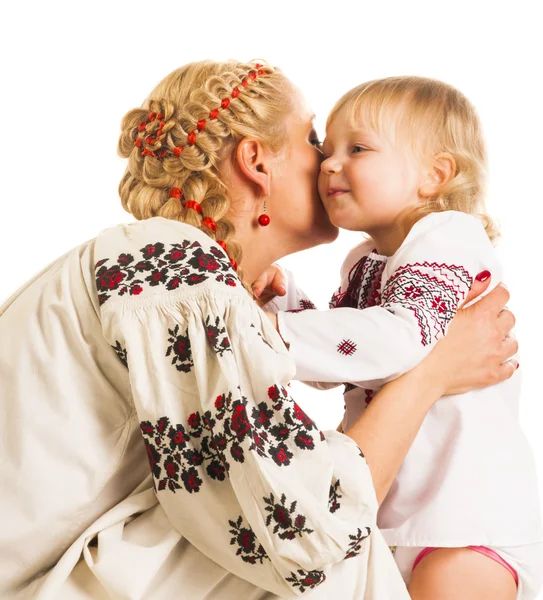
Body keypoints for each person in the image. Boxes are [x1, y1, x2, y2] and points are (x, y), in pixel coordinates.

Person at [0, 61, 519, 600]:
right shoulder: (174, 264)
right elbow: (304, 525)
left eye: (351, 147)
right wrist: (430, 372)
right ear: (255, 162)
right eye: (316, 139)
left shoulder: (168, 271)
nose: (328, 164)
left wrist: (279, 320)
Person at [258, 76, 543, 599]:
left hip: (465, 519)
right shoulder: (364, 260)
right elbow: (351, 362)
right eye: (326, 149)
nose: (328, 163)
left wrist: (272, 330)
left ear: (435, 175)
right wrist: (282, 298)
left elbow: (401, 339)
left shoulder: (448, 237)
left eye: (358, 149)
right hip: (395, 518)